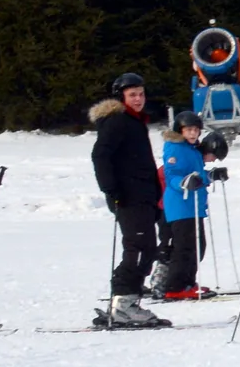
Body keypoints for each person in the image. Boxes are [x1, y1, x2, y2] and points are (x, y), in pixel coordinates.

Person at [89, 72, 167, 328]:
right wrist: (112, 190)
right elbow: (100, 156)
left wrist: (155, 194)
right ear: (120, 97)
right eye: (132, 95)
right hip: (129, 197)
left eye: (141, 94)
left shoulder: (134, 122)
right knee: (138, 247)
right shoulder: (117, 122)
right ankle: (122, 303)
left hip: (143, 197)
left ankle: (129, 302)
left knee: (147, 247)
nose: (138, 99)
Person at [151, 108, 223, 300]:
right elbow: (171, 175)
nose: (193, 133)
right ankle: (175, 286)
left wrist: (211, 175)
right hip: (180, 206)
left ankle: (188, 282)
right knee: (185, 248)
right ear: (180, 131)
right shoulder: (174, 148)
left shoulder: (191, 150)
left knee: (198, 246)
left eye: (196, 130)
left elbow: (196, 176)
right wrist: (183, 183)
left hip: (194, 205)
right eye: (188, 129)